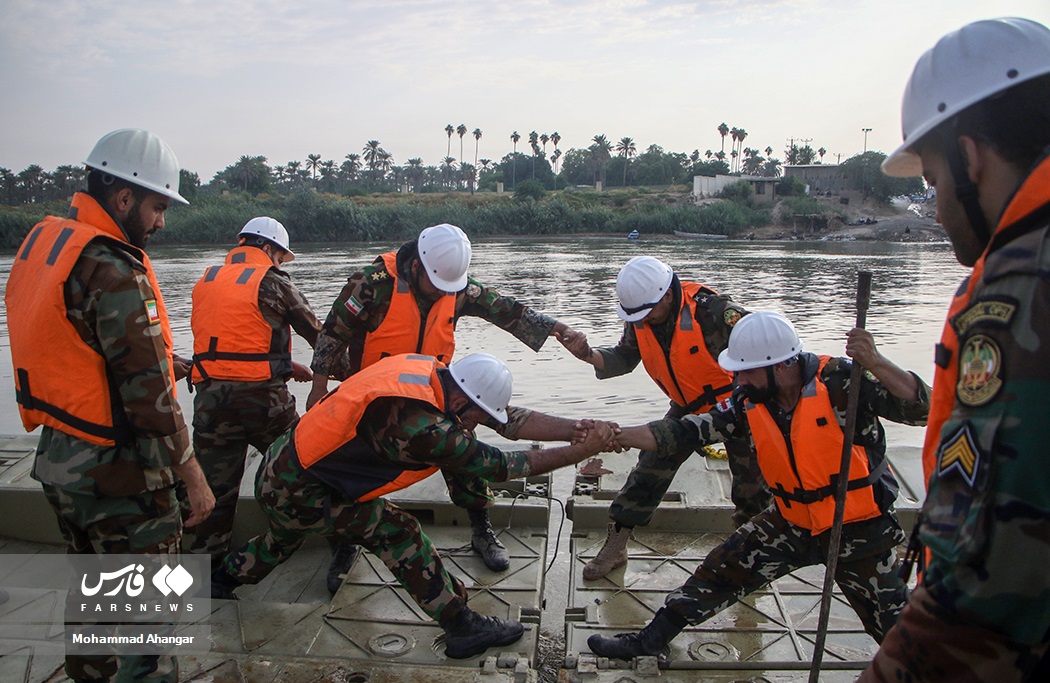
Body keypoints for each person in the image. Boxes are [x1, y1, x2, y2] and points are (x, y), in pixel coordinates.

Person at [850, 17, 1050, 683]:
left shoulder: (1020, 286)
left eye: (933, 181)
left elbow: (991, 573)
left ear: (970, 159)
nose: (935, 209)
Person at [211, 352, 613, 658]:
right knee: (395, 531)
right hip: (301, 490)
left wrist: (575, 429)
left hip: (282, 467)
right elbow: (504, 465)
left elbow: (507, 418)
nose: (475, 424)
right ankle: (461, 625)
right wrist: (580, 453)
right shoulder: (423, 430)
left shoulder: (427, 370)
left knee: (283, 539)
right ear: (461, 403)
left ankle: (219, 580)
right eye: (475, 418)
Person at [4, 128, 214, 683]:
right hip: (122, 475)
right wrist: (192, 476)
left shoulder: (48, 245)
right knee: (150, 613)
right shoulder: (115, 269)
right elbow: (150, 397)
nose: (161, 223)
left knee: (93, 588)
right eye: (157, 207)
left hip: (61, 460)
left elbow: (83, 348)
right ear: (124, 199)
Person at [584, 311, 929, 659]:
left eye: (746, 371)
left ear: (780, 367)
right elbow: (687, 430)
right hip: (792, 521)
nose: (738, 378)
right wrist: (619, 435)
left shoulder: (843, 383)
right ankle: (649, 641)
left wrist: (877, 362)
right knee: (718, 571)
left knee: (895, 627)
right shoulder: (747, 399)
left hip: (857, 529)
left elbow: (923, 410)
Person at [307, 223, 580, 586]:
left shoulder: (455, 285)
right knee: (349, 467)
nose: (441, 293)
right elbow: (333, 330)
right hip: (374, 395)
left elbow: (503, 308)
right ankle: (343, 545)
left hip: (432, 388)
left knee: (461, 452)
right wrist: (319, 385)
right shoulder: (372, 282)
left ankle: (481, 529)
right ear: (417, 266)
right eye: (435, 285)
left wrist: (556, 327)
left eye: (447, 288)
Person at [556, 255, 770, 580]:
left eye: (647, 312)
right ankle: (616, 546)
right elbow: (625, 357)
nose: (642, 320)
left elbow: (766, 347)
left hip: (737, 408)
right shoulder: (641, 313)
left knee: (752, 488)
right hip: (687, 405)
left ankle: (752, 557)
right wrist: (587, 355)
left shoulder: (713, 312)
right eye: (635, 315)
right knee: (649, 467)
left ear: (667, 295)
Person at [184, 217, 321, 570]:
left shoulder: (207, 280)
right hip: (265, 406)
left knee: (214, 489)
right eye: (279, 256)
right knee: (305, 467)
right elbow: (321, 338)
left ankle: (207, 574)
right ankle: (337, 543)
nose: (279, 263)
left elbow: (232, 342)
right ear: (266, 248)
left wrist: (287, 365)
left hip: (211, 404)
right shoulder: (273, 282)